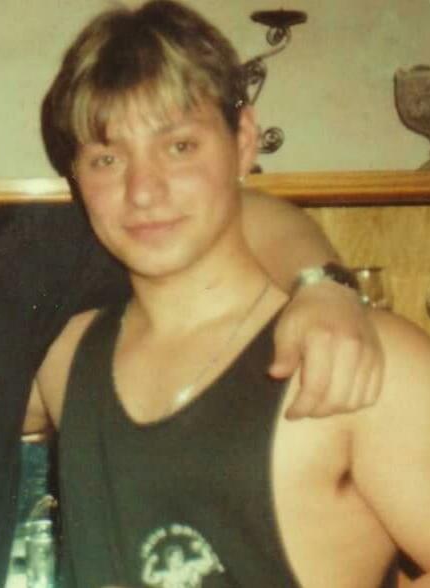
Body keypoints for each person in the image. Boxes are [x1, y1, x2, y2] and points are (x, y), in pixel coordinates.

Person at [23, 1, 430, 586]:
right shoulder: (61, 359)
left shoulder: (368, 360)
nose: (143, 191)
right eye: (107, 158)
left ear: (243, 141)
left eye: (179, 147)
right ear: (76, 179)